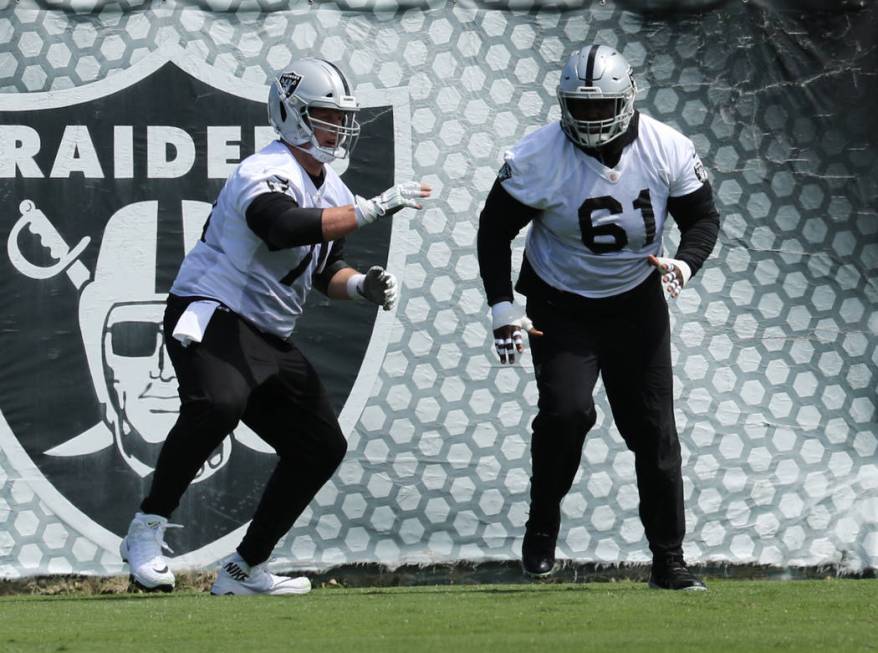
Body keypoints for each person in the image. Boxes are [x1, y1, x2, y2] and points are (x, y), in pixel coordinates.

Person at [119, 57, 431, 596]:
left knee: (320, 446)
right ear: (291, 115)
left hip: (264, 332)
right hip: (211, 309)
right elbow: (281, 228)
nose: (338, 128)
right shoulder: (263, 171)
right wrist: (373, 209)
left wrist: (361, 286)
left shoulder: (332, 189)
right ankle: (145, 530)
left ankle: (244, 568)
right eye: (326, 116)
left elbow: (324, 266)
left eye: (341, 117)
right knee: (218, 403)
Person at [477, 44, 719, 591]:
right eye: (578, 108)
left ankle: (669, 559)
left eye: (600, 106)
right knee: (566, 414)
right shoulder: (538, 155)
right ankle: (543, 520)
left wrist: (685, 261)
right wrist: (501, 307)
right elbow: (494, 230)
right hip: (561, 306)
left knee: (654, 431)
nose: (589, 118)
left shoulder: (665, 147)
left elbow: (702, 218)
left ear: (628, 100)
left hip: (636, 304)